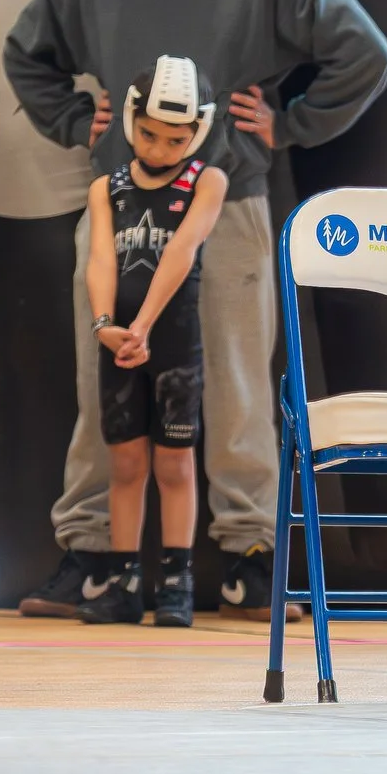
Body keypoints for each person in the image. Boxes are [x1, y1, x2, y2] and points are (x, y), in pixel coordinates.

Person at [5, 0, 387, 621]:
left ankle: (250, 557)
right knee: (104, 384)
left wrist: (288, 126)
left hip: (229, 208)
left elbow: (365, 52)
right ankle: (91, 557)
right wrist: (77, 123)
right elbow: (25, 53)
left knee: (239, 386)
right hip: (118, 217)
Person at [76, 58, 230, 627]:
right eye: (148, 134)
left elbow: (181, 251)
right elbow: (100, 259)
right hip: (119, 344)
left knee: (175, 466)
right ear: (130, 121)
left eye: (175, 139)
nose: (160, 149)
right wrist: (105, 326)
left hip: (171, 347)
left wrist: (141, 326)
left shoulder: (207, 181)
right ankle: (123, 585)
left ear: (199, 132)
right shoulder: (106, 188)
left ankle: (175, 585)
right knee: (124, 465)